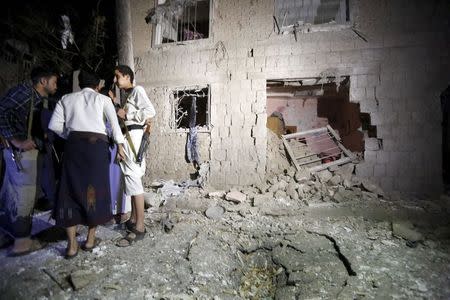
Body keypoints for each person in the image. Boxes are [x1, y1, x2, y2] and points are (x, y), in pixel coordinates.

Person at [48, 70, 125, 258]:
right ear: (98, 85)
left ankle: (72, 245)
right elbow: (115, 126)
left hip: (74, 147)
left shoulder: (66, 98)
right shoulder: (103, 100)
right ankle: (90, 240)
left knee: (70, 190)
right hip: (97, 149)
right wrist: (121, 147)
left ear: (80, 84)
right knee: (95, 190)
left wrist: (72, 136)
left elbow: (54, 126)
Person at [0, 66, 58, 256]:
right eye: (54, 81)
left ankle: (12, 232)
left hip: (26, 153)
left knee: (15, 194)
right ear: (43, 81)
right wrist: (16, 140)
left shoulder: (40, 98)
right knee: (24, 196)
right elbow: (1, 111)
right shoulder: (24, 93)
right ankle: (22, 243)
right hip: (21, 153)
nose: (57, 85)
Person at [110, 65, 155, 247]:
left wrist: (129, 113)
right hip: (131, 138)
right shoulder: (129, 95)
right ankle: (134, 220)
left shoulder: (137, 90)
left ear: (128, 77)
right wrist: (117, 105)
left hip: (134, 139)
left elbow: (150, 112)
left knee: (133, 179)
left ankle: (140, 227)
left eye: (118, 77)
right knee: (131, 178)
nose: (115, 80)